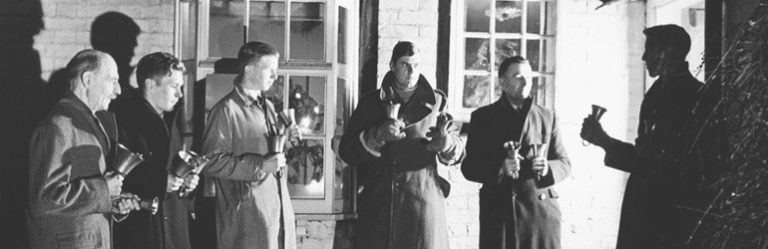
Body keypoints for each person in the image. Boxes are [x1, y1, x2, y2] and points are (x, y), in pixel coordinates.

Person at [580, 24, 707, 248]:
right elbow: (644, 160)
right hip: (644, 211)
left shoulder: (698, 97)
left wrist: (682, 228)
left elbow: (700, 171)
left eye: (651, 49)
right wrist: (603, 141)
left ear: (672, 52)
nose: (644, 57)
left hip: (671, 218)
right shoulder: (655, 94)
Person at [339, 41, 464, 249]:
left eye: (416, 65)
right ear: (392, 65)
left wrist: (447, 143)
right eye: (405, 65)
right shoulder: (370, 102)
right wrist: (376, 135)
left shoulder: (437, 102)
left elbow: (459, 151)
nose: (411, 71)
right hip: (380, 204)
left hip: (422, 202)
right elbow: (347, 150)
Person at [27, 49, 140, 249]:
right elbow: (43, 201)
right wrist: (103, 189)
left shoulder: (88, 121)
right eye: (112, 81)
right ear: (88, 79)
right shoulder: (55, 127)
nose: (118, 90)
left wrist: (112, 202)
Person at [461, 56, 570, 249]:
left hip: (540, 213)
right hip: (500, 213)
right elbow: (469, 167)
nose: (526, 81)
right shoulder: (483, 117)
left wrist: (547, 168)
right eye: (518, 76)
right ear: (502, 81)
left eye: (529, 76)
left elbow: (564, 162)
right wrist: (499, 167)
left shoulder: (546, 116)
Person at [201, 41, 299, 249]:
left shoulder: (269, 108)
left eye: (276, 71)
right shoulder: (225, 111)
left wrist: (287, 141)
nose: (275, 76)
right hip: (246, 224)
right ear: (249, 69)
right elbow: (210, 162)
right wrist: (260, 166)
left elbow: (272, 157)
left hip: (276, 218)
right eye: (269, 70)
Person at [111, 52, 199, 249]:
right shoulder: (123, 122)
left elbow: (171, 174)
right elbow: (112, 177)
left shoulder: (171, 120)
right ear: (150, 85)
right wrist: (161, 181)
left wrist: (185, 182)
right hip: (142, 233)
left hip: (173, 232)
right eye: (174, 86)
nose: (180, 94)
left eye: (181, 87)